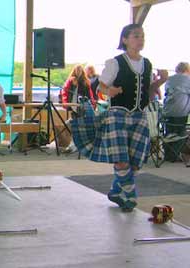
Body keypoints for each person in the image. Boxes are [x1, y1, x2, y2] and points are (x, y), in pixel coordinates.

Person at [71, 23, 168, 212]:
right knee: (121, 160)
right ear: (125, 39)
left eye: (142, 36)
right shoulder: (115, 62)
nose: (141, 40)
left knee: (135, 163)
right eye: (136, 36)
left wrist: (161, 82)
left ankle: (116, 191)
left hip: (139, 116)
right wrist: (110, 90)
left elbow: (147, 94)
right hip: (117, 115)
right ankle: (130, 197)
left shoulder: (147, 63)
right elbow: (100, 87)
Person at [62, 64, 95, 153]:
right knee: (77, 125)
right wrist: (66, 103)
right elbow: (65, 92)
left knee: (79, 125)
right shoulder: (73, 81)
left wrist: (92, 104)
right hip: (77, 106)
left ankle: (77, 145)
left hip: (82, 106)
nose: (79, 72)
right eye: (78, 70)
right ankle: (75, 145)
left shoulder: (84, 81)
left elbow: (89, 94)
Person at [162, 62, 190, 165]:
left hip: (167, 111)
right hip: (180, 112)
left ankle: (168, 155)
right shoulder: (188, 79)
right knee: (181, 133)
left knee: (169, 134)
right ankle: (174, 155)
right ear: (187, 70)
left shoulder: (169, 79)